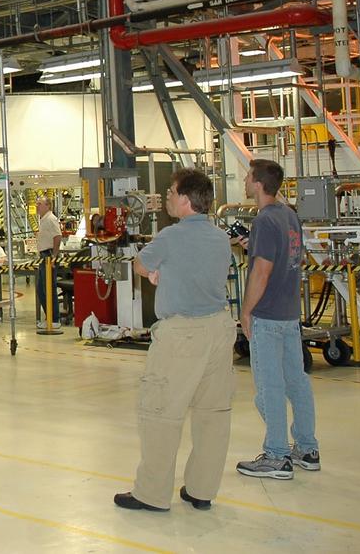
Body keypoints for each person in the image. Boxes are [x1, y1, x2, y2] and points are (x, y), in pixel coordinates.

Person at [114, 168, 236, 512]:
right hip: (219, 330)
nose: (166, 197)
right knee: (213, 414)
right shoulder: (219, 237)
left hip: (182, 335)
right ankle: (201, 489)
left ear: (184, 199)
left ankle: (151, 494)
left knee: (161, 413)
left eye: (170, 192)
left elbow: (140, 264)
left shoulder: (171, 236)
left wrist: (155, 270)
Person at [235, 158, 319, 480]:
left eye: (247, 177)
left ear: (258, 183)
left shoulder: (265, 220)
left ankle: (276, 455)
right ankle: (307, 448)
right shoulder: (289, 216)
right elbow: (284, 258)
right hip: (288, 314)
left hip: (267, 316)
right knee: (297, 382)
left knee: (269, 386)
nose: (244, 181)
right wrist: (251, 246)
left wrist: (246, 311)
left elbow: (262, 271)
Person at [35, 197, 62, 327]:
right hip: (43, 256)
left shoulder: (51, 219)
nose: (37, 206)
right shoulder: (43, 220)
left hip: (49, 255)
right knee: (41, 289)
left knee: (49, 288)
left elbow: (58, 236)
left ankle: (55, 319)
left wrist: (54, 256)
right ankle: (49, 317)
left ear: (48, 206)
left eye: (39, 204)